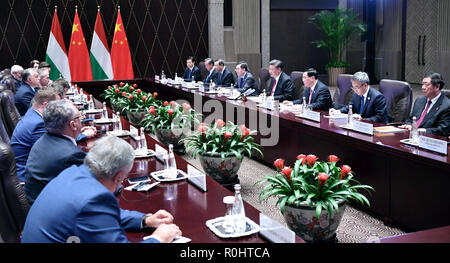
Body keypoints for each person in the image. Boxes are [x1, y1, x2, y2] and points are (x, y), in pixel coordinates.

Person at [21, 135, 181, 243]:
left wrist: (145, 220)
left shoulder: (72, 172)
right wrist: (159, 238)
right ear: (118, 177)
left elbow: (102, 215)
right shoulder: (94, 199)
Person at [10, 89, 95, 183]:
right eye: (79, 118)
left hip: (34, 176)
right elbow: (60, 153)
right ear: (46, 105)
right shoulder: (38, 123)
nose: (60, 107)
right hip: (26, 178)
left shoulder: (34, 116)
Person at [24, 100, 87, 204]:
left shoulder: (42, 141)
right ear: (73, 125)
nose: (81, 121)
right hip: (53, 213)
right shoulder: (71, 155)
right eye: (79, 118)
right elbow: (92, 186)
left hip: (37, 205)